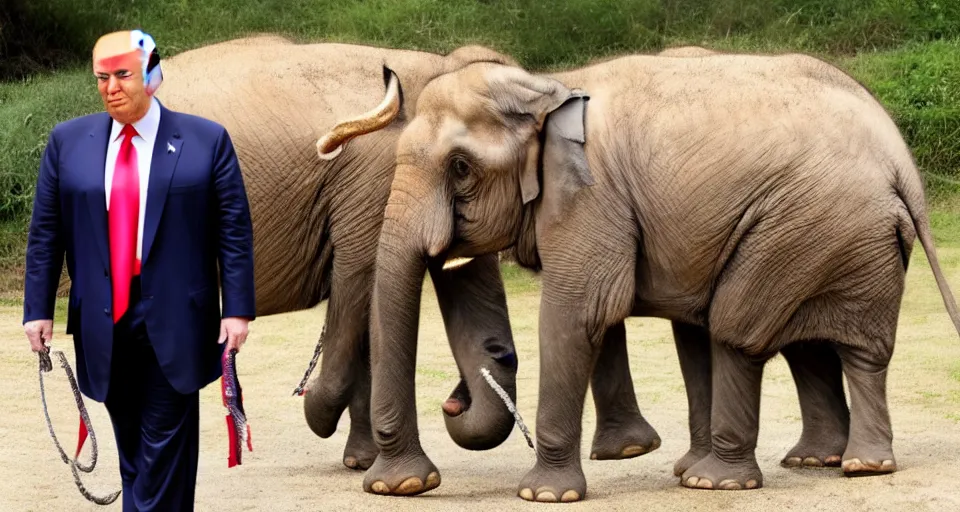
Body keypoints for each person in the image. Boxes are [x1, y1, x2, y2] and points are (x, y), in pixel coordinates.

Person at [22, 29, 256, 511]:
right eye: (102, 77)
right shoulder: (67, 143)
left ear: (152, 75)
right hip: (102, 322)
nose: (111, 87)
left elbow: (233, 231)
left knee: (163, 448)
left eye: (123, 75)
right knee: (134, 450)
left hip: (177, 321)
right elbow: (47, 233)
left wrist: (237, 310)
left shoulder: (205, 140)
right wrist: (36, 310)